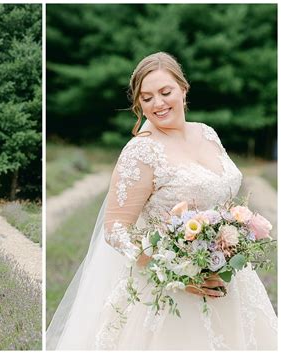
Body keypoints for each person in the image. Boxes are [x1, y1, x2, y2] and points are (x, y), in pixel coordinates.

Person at [46, 52, 277, 350]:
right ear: (138, 103)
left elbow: (222, 197)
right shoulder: (141, 151)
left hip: (230, 277)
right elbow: (115, 229)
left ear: (183, 89)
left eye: (165, 92)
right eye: (147, 97)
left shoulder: (207, 133)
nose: (158, 103)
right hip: (171, 291)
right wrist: (179, 272)